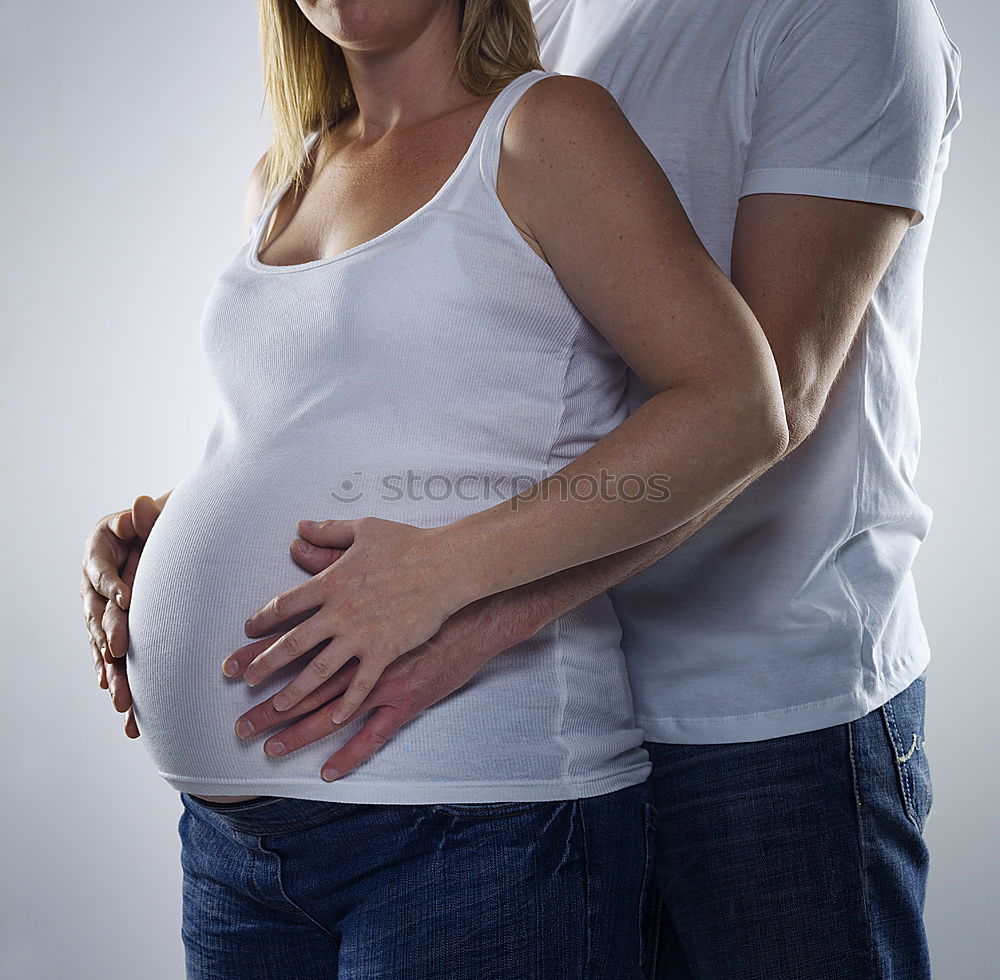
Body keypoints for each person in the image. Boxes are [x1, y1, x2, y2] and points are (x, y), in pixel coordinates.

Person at [83, 0, 961, 977]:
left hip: (750, 705)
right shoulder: (398, 101)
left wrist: (469, 599)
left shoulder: (830, 23)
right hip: (323, 796)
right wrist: (189, 539)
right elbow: (435, 385)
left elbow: (769, 400)